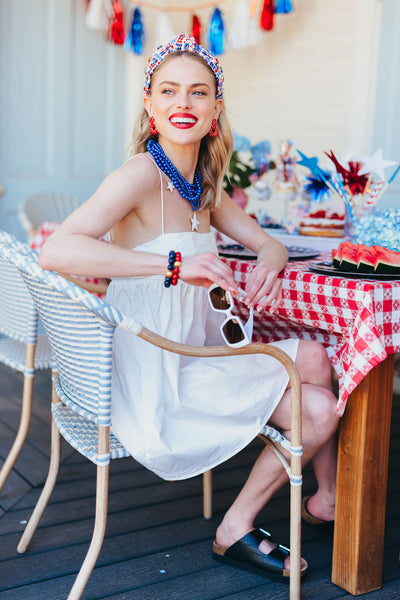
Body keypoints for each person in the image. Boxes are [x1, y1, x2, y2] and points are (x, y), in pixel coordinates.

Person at [40, 34, 339, 583]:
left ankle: (328, 498)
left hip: (198, 354)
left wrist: (271, 258)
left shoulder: (202, 185)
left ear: (215, 110)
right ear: (150, 107)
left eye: (199, 93)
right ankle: (237, 526)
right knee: (318, 410)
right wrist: (173, 267)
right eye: (169, 91)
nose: (184, 103)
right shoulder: (137, 176)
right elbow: (56, 249)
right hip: (158, 372)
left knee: (316, 358)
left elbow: (266, 242)